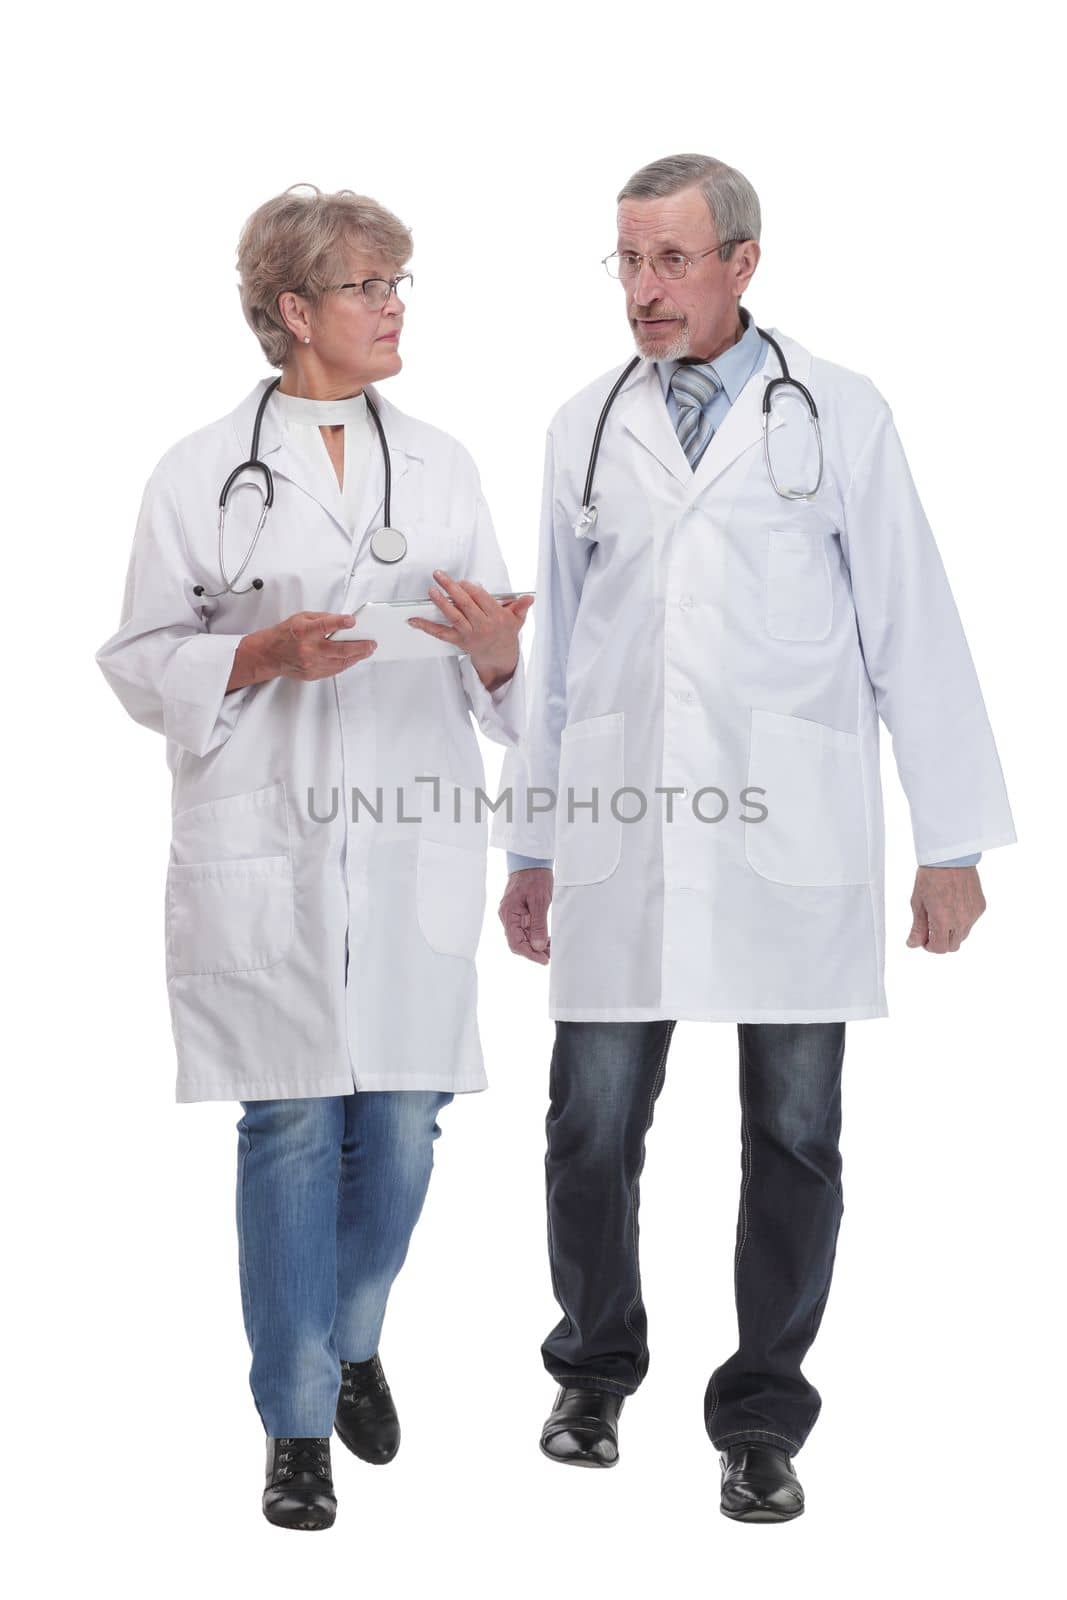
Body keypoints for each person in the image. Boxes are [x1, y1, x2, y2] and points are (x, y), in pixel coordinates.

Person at [493, 153, 1014, 1521]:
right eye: (627, 261)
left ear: (743, 262)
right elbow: (551, 666)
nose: (646, 291)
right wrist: (531, 845)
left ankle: (763, 1421)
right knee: (588, 1128)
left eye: (672, 260)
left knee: (793, 1137)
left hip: (789, 829)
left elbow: (912, 618)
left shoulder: (838, 412)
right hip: (618, 832)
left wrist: (949, 840)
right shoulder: (583, 425)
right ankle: (596, 1368)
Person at [96, 184, 532, 1531]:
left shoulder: (445, 464)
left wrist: (499, 651)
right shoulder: (194, 471)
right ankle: (294, 1427)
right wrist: (256, 654)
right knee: (291, 1122)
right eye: (366, 288)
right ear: (294, 310)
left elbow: (506, 672)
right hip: (266, 844)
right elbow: (134, 660)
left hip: (407, 839)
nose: (393, 309)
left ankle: (350, 1335)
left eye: (398, 287)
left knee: (401, 1127)